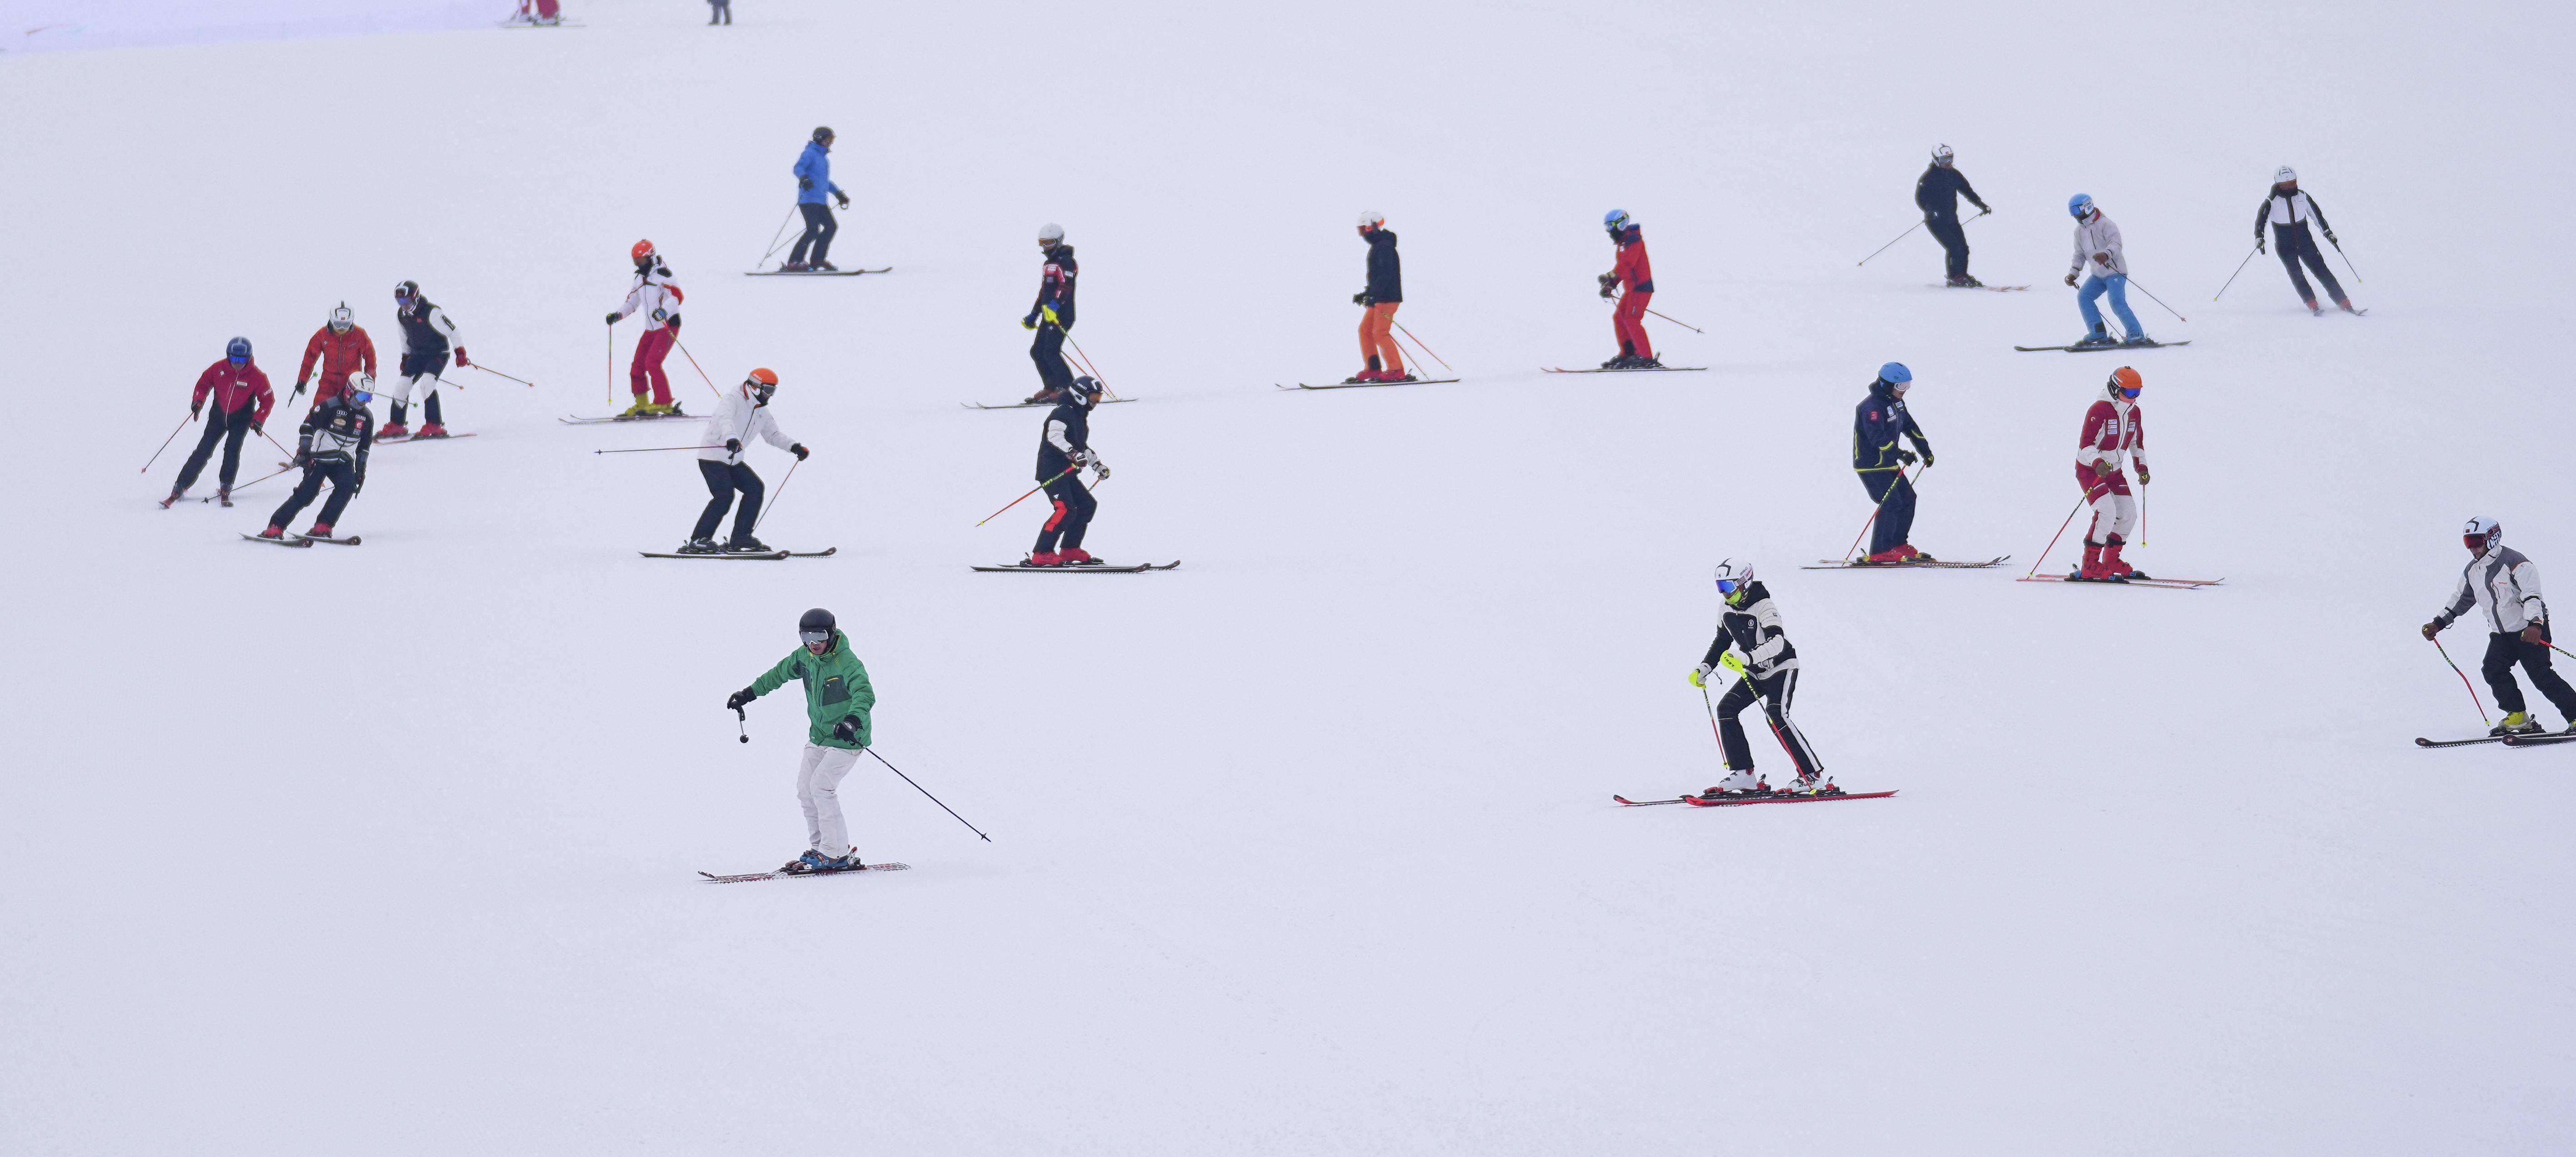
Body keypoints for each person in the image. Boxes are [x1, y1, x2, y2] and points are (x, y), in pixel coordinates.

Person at [726, 608, 877, 874]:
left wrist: (852, 721)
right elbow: (778, 674)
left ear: (830, 634)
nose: (813, 642)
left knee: (822, 787)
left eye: (819, 635)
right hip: (819, 736)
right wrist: (748, 694)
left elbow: (864, 694)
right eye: (806, 636)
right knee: (806, 790)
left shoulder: (847, 662)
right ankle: (824, 849)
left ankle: (835, 853)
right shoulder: (805, 656)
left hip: (847, 739)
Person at [1687, 560, 1830, 795]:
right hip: (1755, 671)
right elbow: (1722, 642)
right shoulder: (1725, 608)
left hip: (1782, 667)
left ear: (1744, 583)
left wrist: (1747, 658)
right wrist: (1705, 668)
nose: (1724, 593)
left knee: (1776, 715)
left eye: (1728, 586)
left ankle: (1812, 776)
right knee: (1727, 709)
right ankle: (1744, 774)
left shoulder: (1764, 605)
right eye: (1719, 587)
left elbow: (1778, 642)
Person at [2423, 519, 2574, 737]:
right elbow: (2462, 599)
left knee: (2541, 675)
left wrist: (2535, 624)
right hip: (2501, 634)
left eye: (2476, 541)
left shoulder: (2516, 563)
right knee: (2493, 669)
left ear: (2492, 538)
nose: (2472, 547)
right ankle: (2519, 718)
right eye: (2468, 542)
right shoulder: (2473, 570)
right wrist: (2438, 623)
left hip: (2528, 631)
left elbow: (2532, 597)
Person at [683, 368, 807, 554]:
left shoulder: (761, 410)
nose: (769, 396)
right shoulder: (732, 399)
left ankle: (741, 537)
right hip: (712, 457)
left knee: (755, 488)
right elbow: (725, 420)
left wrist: (794, 447)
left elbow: (773, 435)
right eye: (767, 390)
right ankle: (699, 539)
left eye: (773, 391)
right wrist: (731, 438)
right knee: (724, 496)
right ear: (755, 387)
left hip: (734, 460)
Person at [256, 377, 375, 541]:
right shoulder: (330, 406)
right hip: (320, 458)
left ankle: (324, 525)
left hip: (343, 461)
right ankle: (275, 526)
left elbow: (364, 446)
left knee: (347, 487)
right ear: (350, 391)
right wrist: (304, 450)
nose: (363, 403)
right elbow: (308, 425)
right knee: (307, 494)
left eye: (368, 398)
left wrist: (360, 469)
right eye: (362, 397)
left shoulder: (366, 418)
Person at [164, 337, 276, 508]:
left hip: (241, 420)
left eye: (242, 359)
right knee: (203, 450)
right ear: (228, 356)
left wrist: (259, 420)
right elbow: (203, 384)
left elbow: (268, 400)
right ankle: (180, 485)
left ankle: (226, 485)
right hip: (218, 417)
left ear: (250, 358)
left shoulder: (258, 377)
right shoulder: (218, 369)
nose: (238, 363)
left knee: (232, 451)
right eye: (234, 358)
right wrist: (198, 401)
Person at [2072, 366, 2153, 581]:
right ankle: (2090, 565)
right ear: (2116, 388)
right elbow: (2086, 445)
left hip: (2115, 472)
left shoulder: (2134, 412)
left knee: (2128, 515)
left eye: (2138, 394)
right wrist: (2097, 462)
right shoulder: (2099, 410)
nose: (2134, 399)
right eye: (2130, 393)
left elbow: (2137, 443)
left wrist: (2142, 467)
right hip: (2091, 470)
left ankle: (2111, 560)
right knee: (2106, 512)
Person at [1851, 362, 1935, 563]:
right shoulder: (1870, 408)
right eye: (1901, 387)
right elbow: (1877, 438)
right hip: (1870, 465)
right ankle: (1880, 551)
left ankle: (1897, 544)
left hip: (1888, 464)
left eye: (1907, 385)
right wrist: (1900, 453)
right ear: (1886, 385)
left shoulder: (1896, 404)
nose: (1904, 391)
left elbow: (1909, 426)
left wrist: (1924, 450)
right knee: (1891, 502)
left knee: (1908, 498)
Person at [1028, 377, 1110, 566]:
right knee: (1065, 510)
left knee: (1086, 505)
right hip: (1052, 472)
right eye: (1094, 397)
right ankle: (1042, 553)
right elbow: (1054, 436)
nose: (1096, 402)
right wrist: (1072, 454)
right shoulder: (1063, 412)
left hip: (1068, 472)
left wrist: (1097, 465)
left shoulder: (1079, 415)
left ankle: (1070, 549)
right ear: (1080, 395)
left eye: (1099, 398)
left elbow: (1082, 447)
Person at [2255, 166, 2358, 315]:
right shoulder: (2271, 202)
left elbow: (2317, 216)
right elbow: (2261, 220)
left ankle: (2343, 301)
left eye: (2293, 183)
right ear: (2279, 185)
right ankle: (2311, 302)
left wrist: (2327, 233)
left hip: (2306, 243)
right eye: (2286, 185)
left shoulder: (2303, 197)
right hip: (2285, 247)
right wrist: (2259, 237)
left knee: (2322, 271)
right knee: (2297, 274)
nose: (2291, 187)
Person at [607, 240, 686, 417]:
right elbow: (632, 302)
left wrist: (663, 311)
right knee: (637, 366)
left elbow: (677, 297)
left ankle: (664, 403)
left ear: (651, 258)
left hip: (668, 325)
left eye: (641, 261)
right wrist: (617, 315)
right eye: (636, 262)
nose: (639, 265)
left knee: (653, 363)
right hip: (650, 329)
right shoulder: (639, 279)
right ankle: (642, 404)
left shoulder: (664, 275)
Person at [2063, 194, 2148, 347]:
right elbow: (2079, 254)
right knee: (2084, 296)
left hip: (2115, 272)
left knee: (2116, 302)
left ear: (2087, 207)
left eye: (2077, 210)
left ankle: (2136, 335)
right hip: (2098, 275)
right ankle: (2098, 333)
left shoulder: (2106, 224)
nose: (2075, 215)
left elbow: (2116, 244)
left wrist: (2106, 254)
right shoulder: (2079, 232)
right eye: (2072, 212)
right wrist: (2073, 273)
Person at [387, 280, 468, 439]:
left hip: (437, 354)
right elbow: (404, 337)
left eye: (406, 301)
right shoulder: (401, 315)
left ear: (415, 297)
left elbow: (454, 331)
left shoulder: (432, 313)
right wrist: (405, 357)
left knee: (427, 383)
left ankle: (435, 425)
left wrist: (460, 352)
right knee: (401, 386)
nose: (403, 305)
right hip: (417, 356)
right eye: (400, 301)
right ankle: (397, 425)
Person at [1916, 144, 1992, 287]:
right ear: (1937, 160)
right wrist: (1930, 210)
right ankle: (1954, 277)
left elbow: (1967, 191)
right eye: (1944, 159)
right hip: (1936, 221)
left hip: (1951, 219)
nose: (1948, 162)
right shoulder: (1928, 178)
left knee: (1964, 248)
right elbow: (1921, 198)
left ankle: (1962, 275)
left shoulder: (1954, 175)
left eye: (1950, 158)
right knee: (1954, 248)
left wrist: (1981, 205)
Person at [1020, 223, 1080, 404]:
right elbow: (1044, 292)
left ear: (1059, 241)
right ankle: (1052, 386)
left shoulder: (1066, 262)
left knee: (1051, 351)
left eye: (1049, 243)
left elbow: (1066, 286)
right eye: (1042, 243)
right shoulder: (1049, 264)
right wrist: (1034, 314)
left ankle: (1067, 388)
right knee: (1037, 351)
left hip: (1062, 314)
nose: (1045, 247)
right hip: (1048, 315)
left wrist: (1055, 306)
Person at [1349, 211, 1409, 384]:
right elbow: (1378, 277)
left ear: (1372, 227)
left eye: (1363, 230)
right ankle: (1373, 368)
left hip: (1388, 298)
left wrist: (1374, 294)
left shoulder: (1384, 247)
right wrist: (1367, 294)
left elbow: (1386, 275)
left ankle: (1396, 370)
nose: (1362, 234)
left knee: (1380, 333)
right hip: (1379, 298)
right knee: (1365, 331)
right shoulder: (1378, 246)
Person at [1595, 209, 1659, 369]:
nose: (1609, 231)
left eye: (1611, 226)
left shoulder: (1633, 241)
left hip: (1640, 288)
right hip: (1631, 289)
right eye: (1606, 227)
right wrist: (1612, 283)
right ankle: (1628, 354)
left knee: (1632, 319)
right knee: (1619, 317)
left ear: (1621, 224)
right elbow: (1623, 268)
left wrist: (1611, 276)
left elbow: (1628, 265)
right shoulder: (1623, 243)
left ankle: (1646, 358)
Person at [785, 127, 849, 271]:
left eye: (832, 140)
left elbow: (824, 182)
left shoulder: (824, 159)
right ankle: (794, 262)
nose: (830, 143)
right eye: (828, 139)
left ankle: (817, 260)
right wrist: (804, 178)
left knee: (831, 227)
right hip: (808, 200)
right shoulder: (810, 153)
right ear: (819, 138)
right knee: (813, 230)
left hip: (821, 201)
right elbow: (798, 168)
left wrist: (839, 194)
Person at [294, 302, 376, 411]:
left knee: (351, 413)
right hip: (328, 383)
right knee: (318, 410)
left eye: (346, 325)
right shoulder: (322, 335)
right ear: (331, 320)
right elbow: (309, 358)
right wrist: (302, 380)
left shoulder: (360, 335)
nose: (342, 328)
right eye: (338, 324)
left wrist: (369, 385)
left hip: (351, 384)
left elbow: (371, 359)